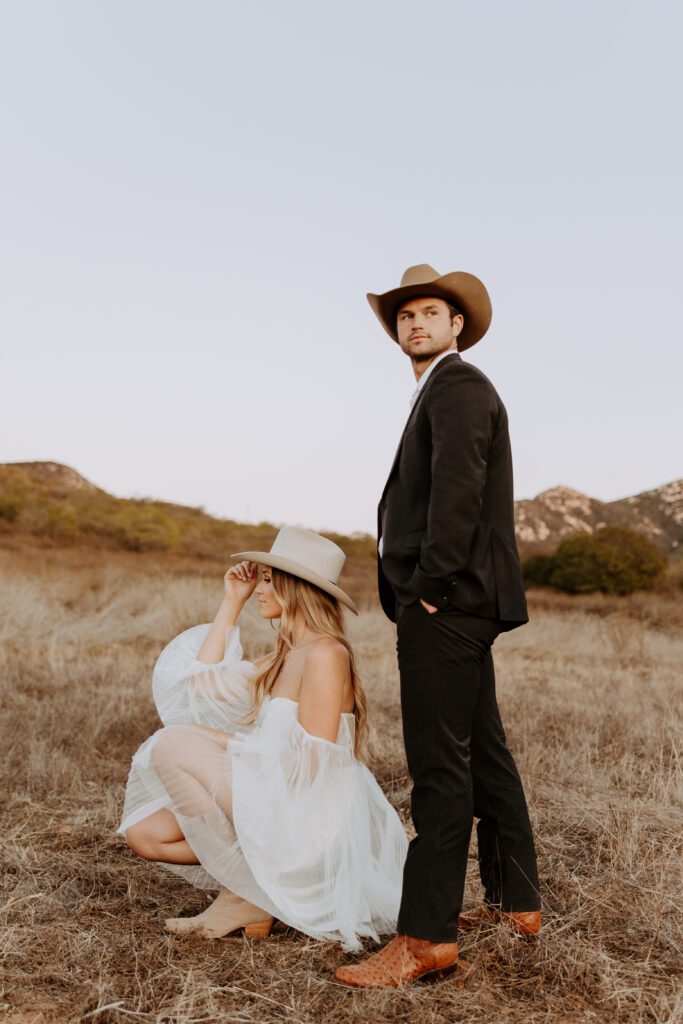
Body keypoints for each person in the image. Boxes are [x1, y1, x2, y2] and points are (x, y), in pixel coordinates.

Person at [335, 263, 542, 988]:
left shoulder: (456, 386)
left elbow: (458, 489)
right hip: (461, 604)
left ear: (457, 325)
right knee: (481, 748)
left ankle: (425, 941)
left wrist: (428, 588)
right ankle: (517, 902)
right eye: (404, 316)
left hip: (447, 605)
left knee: (438, 770)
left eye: (429, 312)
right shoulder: (443, 389)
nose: (414, 323)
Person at [118, 526, 408, 952]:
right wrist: (230, 602)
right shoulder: (283, 655)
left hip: (306, 812)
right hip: (273, 795)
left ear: (297, 588)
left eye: (270, 580)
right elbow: (197, 686)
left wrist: (228, 748)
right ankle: (254, 887)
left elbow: (311, 769)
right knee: (145, 834)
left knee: (174, 745)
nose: (259, 588)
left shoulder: (328, 654)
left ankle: (243, 897)